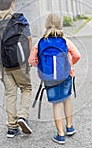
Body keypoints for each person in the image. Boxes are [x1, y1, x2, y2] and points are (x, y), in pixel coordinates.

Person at [28, 14, 81, 145]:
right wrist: (68, 65)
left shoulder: (40, 42)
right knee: (67, 99)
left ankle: (60, 135)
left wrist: (43, 67)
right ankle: (69, 127)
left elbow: (32, 60)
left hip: (49, 78)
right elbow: (77, 55)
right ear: (60, 25)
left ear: (45, 25)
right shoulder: (65, 41)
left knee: (56, 104)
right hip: (66, 75)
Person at [0, 0, 32, 138]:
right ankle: (23, 116)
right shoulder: (20, 19)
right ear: (12, 4)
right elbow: (29, 39)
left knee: (10, 93)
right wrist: (29, 59)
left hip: (5, 65)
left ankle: (12, 127)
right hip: (20, 62)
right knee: (26, 88)